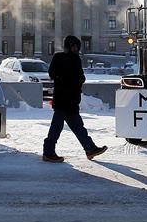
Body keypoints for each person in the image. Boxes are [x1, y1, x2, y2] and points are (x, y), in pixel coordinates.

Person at [42, 35, 107, 163]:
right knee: (56, 128)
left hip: (72, 100)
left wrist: (78, 80)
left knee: (78, 127)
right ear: (68, 46)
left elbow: (80, 76)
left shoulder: (76, 60)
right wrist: (67, 78)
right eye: (73, 46)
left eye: (77, 46)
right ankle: (48, 152)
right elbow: (52, 73)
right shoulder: (59, 57)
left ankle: (90, 149)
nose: (76, 48)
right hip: (62, 100)